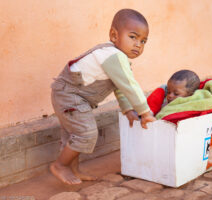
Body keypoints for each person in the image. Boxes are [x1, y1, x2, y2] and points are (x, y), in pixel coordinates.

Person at [50, 8, 156, 185]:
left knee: (74, 133)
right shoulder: (112, 55)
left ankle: (73, 168)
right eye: (133, 37)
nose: (138, 44)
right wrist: (145, 112)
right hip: (69, 95)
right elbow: (130, 86)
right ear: (114, 35)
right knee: (86, 133)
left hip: (72, 96)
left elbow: (120, 88)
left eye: (143, 41)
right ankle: (60, 165)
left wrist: (128, 110)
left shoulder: (118, 59)